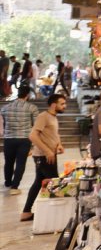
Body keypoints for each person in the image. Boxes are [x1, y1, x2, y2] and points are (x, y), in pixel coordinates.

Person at [21, 92, 66, 221]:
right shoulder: (43, 116)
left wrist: (59, 145)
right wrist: (47, 151)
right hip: (44, 156)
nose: (64, 106)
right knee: (55, 183)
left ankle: (26, 212)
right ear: (53, 105)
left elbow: (53, 135)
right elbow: (32, 136)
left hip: (49, 155)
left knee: (37, 183)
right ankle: (56, 216)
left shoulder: (53, 117)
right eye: (62, 103)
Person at [2, 85, 38, 196]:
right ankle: (14, 187)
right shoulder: (32, 108)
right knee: (20, 163)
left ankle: (8, 182)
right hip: (24, 139)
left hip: (8, 139)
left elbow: (4, 124)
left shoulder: (6, 108)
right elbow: (36, 125)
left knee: (8, 162)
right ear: (27, 95)